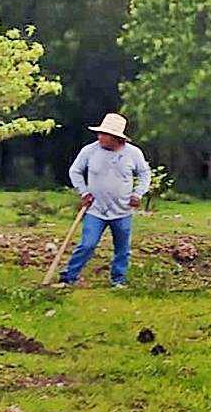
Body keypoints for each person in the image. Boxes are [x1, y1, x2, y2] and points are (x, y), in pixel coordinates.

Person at [59, 113, 151, 288]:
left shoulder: (133, 153)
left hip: (122, 210)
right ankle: (69, 276)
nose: (100, 137)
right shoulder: (89, 151)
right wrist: (83, 192)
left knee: (122, 249)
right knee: (87, 244)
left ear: (116, 138)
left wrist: (138, 193)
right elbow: (75, 171)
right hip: (96, 209)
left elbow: (145, 173)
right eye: (100, 133)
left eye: (104, 134)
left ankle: (118, 279)